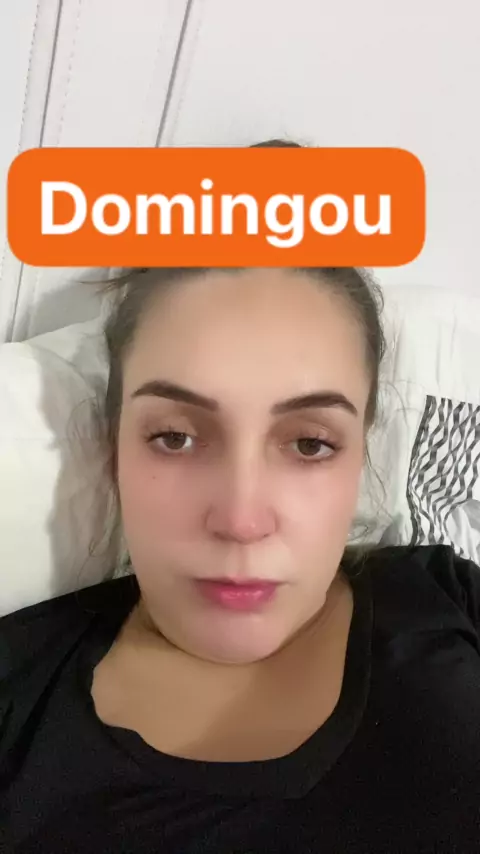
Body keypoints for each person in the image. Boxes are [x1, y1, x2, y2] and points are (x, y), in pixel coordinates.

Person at [1, 249, 480, 850]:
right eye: (174, 437)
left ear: (361, 456)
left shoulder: (451, 597)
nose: (241, 520)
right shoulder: (16, 695)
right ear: (112, 446)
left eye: (310, 444)